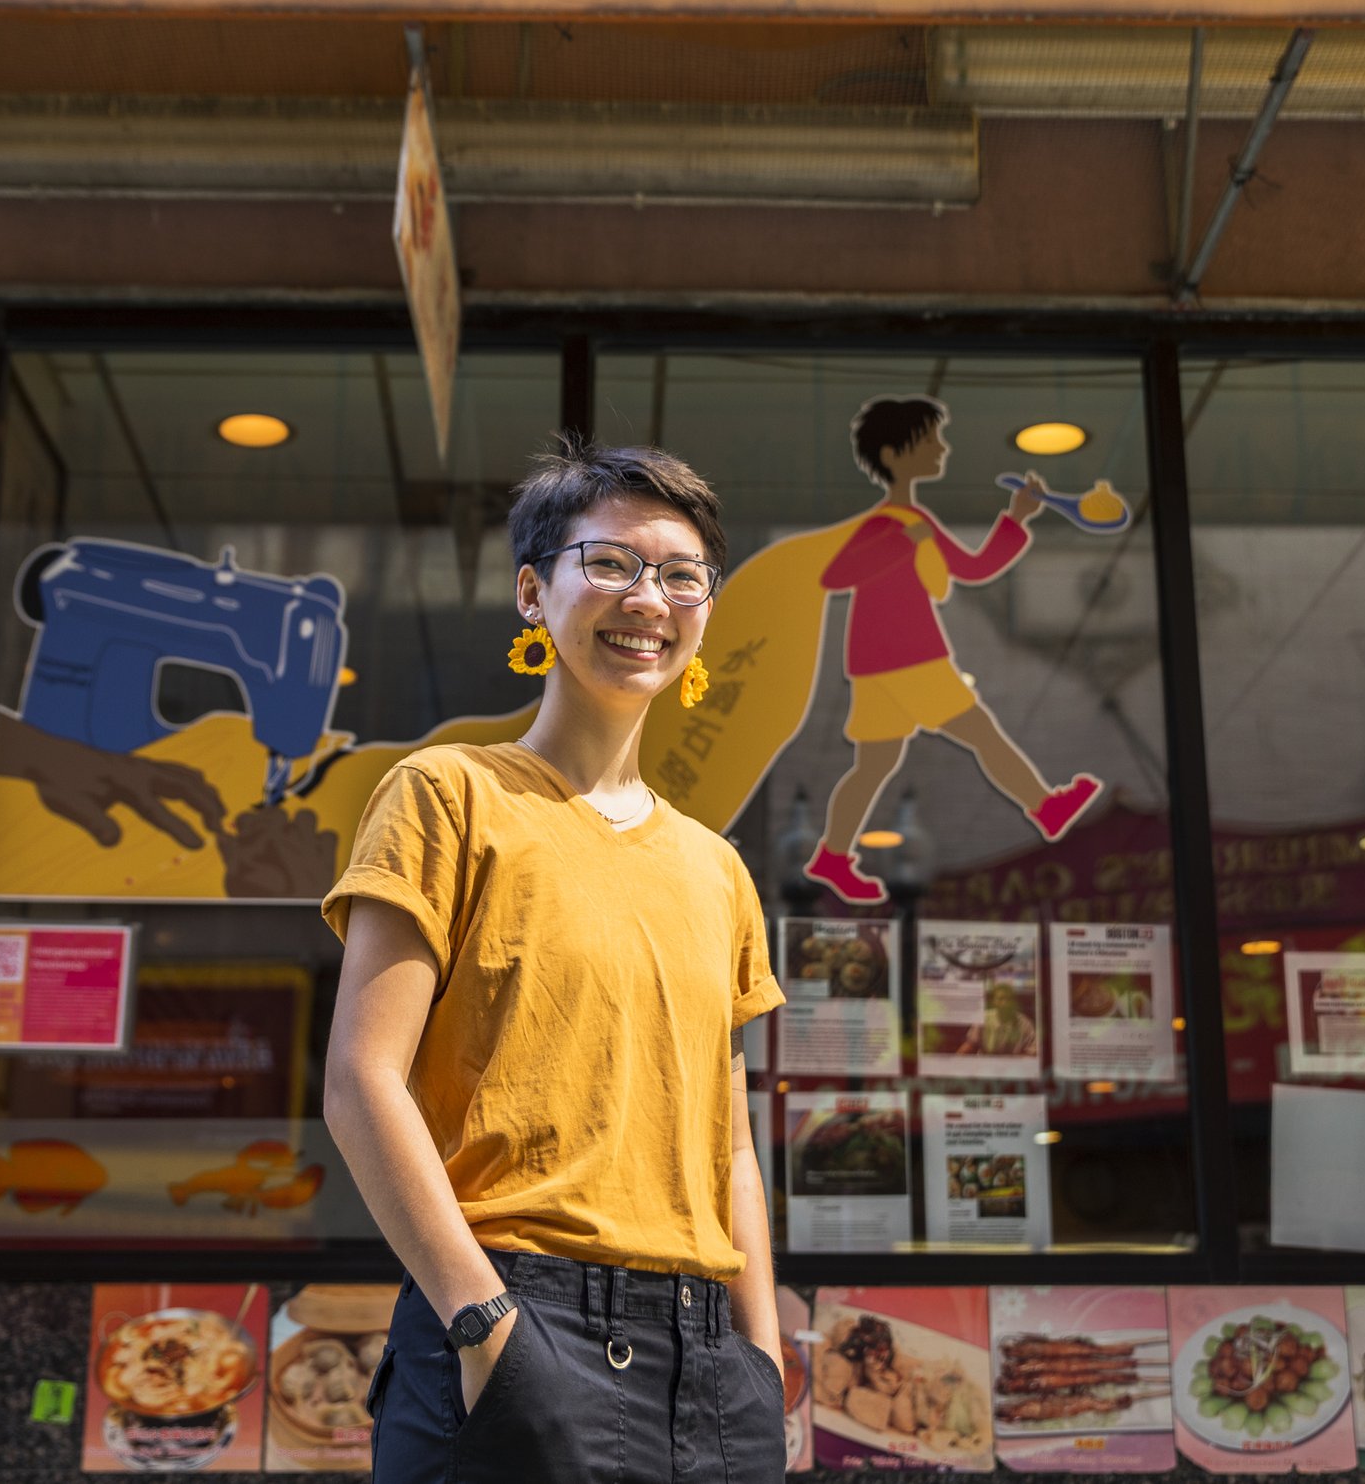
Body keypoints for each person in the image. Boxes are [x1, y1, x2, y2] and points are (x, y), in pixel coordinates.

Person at [321, 439, 786, 1484]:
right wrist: (484, 1321)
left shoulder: (717, 869)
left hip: (711, 1364)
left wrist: (763, 1354)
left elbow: (730, 1145)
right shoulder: (448, 794)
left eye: (680, 573)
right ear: (535, 591)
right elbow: (361, 1078)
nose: (648, 598)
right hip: (518, 1319)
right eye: (611, 562)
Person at [802, 395, 1105, 905]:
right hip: (907, 659)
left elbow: (972, 568)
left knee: (875, 766)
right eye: (931, 440)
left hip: (886, 663)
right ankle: (1044, 807)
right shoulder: (889, 522)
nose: (943, 448)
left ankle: (832, 856)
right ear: (897, 456)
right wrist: (906, 539)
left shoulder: (913, 516)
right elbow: (836, 575)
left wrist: (1016, 518)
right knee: (980, 733)